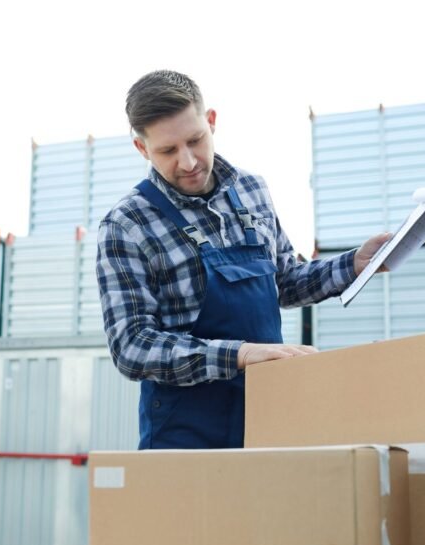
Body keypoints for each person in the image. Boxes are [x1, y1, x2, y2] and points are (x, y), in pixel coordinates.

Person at [97, 70, 391, 450]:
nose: (187, 162)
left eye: (195, 140)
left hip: (272, 417)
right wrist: (240, 355)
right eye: (168, 151)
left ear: (212, 121)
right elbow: (132, 347)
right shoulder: (127, 225)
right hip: (186, 436)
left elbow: (284, 281)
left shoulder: (252, 190)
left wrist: (355, 265)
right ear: (142, 149)